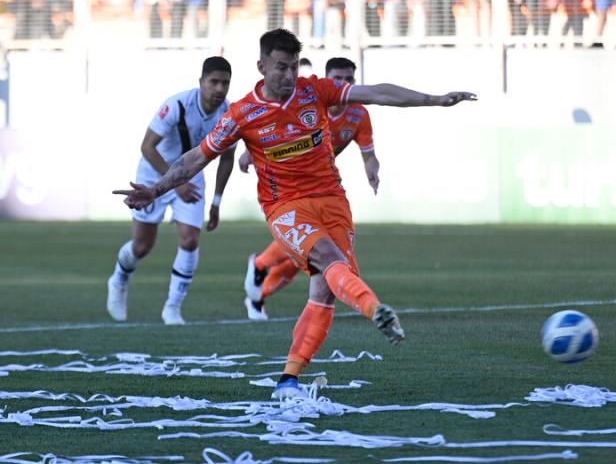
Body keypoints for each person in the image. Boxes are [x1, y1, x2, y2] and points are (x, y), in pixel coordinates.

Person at [114, 28, 476, 399]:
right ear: (261, 67)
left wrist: (435, 99)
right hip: (285, 207)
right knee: (330, 259)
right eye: (281, 68)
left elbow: (377, 93)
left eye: (294, 68)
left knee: (325, 290)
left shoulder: (314, 90)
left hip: (333, 200)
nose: (289, 76)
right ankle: (376, 310)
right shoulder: (242, 114)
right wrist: (156, 189)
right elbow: (196, 158)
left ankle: (288, 379)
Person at [239, 56, 380, 321]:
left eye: (349, 79)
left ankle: (258, 296)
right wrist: (250, 152)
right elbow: (270, 128)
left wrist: (371, 168)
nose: (344, 84)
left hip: (323, 188)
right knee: (309, 251)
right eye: (337, 78)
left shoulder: (358, 114)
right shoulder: (309, 103)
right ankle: (259, 265)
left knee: (308, 261)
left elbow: (368, 153)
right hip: (288, 189)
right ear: (327, 79)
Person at [107, 57, 235, 325]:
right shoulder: (176, 105)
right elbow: (147, 146)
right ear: (201, 82)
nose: (219, 88)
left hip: (192, 178)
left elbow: (226, 158)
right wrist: (175, 182)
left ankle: (173, 307)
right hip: (153, 176)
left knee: (190, 240)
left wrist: (216, 202)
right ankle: (118, 280)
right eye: (214, 82)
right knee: (142, 246)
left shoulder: (229, 114)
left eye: (225, 83)